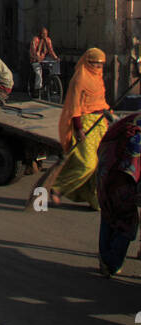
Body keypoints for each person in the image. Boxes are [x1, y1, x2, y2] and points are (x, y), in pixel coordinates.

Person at [51, 48, 111, 210]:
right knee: (87, 164)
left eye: (100, 64)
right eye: (95, 64)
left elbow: (101, 100)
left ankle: (93, 197)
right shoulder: (80, 78)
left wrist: (108, 114)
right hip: (84, 121)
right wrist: (78, 128)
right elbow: (74, 105)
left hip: (100, 122)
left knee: (100, 164)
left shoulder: (98, 77)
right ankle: (58, 187)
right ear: (87, 62)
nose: (98, 67)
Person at [95, 110, 141, 276]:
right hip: (122, 181)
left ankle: (106, 258)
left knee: (108, 216)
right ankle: (111, 262)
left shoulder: (131, 119)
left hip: (105, 173)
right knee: (126, 223)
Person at [29, 27, 59, 97]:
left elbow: (51, 50)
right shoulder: (35, 40)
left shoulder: (48, 40)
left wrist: (55, 57)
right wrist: (37, 57)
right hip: (35, 60)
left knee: (53, 66)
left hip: (43, 59)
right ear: (40, 34)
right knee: (38, 72)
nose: (44, 35)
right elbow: (33, 51)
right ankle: (37, 89)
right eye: (43, 34)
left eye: (46, 34)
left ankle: (51, 84)